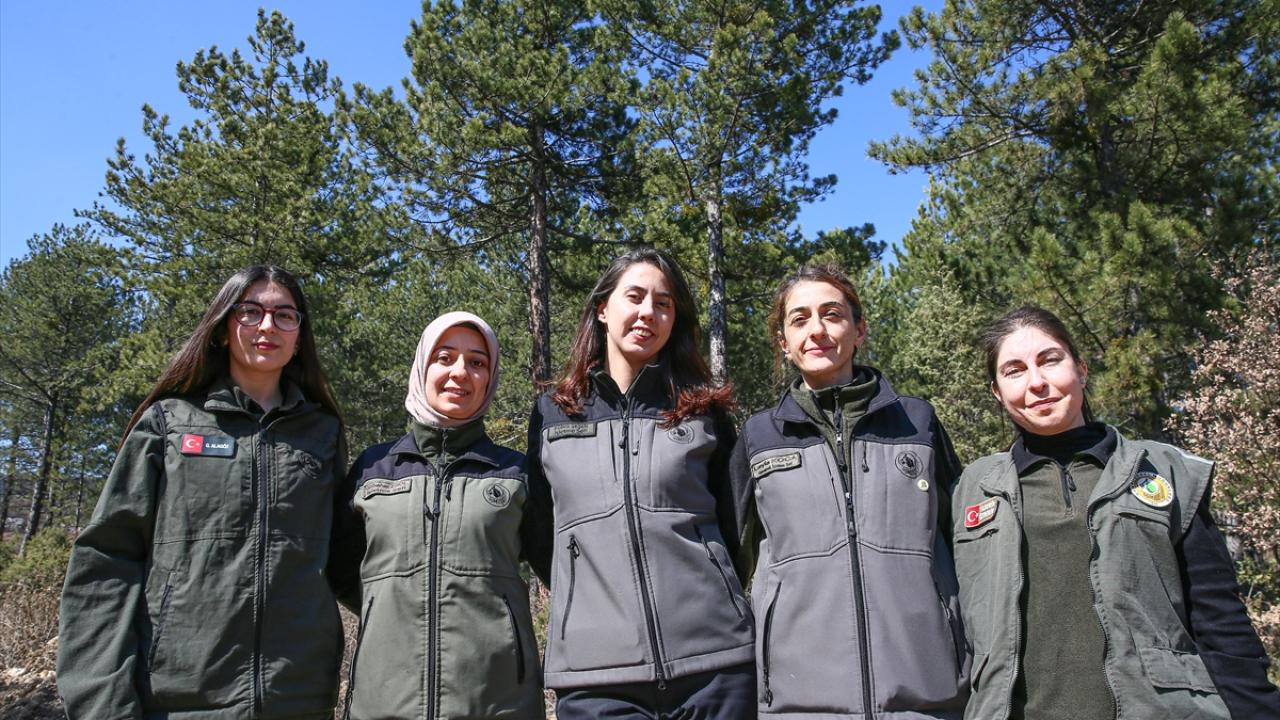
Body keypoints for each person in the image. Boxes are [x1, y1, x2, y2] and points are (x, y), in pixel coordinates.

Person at [954, 305, 1280, 720]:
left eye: (1050, 360)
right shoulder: (972, 488)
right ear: (998, 393)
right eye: (1014, 371)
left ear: (1081, 370)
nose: (1036, 382)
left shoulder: (1164, 471)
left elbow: (1219, 618)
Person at [57, 265, 347, 719]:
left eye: (285, 315)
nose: (267, 326)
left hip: (299, 698)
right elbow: (107, 561)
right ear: (223, 329)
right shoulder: (168, 423)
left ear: (299, 337)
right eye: (250, 312)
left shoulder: (323, 434)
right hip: (179, 698)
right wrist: (101, 702)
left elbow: (350, 560)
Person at [729, 264, 969, 719]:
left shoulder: (917, 422)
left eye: (832, 314)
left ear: (859, 331)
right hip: (799, 705)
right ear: (783, 342)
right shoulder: (759, 437)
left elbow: (962, 545)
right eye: (800, 319)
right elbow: (730, 565)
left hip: (928, 699)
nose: (816, 330)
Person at [525, 247, 755, 719]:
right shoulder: (553, 413)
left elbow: (735, 527)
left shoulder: (702, 410)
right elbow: (541, 532)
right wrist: (584, 595)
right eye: (635, 297)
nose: (649, 312)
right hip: (595, 678)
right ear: (602, 309)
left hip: (715, 667)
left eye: (663, 303)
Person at [329, 311, 544, 720]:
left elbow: (559, 570)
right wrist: (391, 605)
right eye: (444, 358)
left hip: (498, 705)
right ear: (422, 367)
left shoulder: (517, 473)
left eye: (477, 362)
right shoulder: (373, 469)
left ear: (490, 378)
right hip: (383, 703)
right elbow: (339, 572)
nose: (460, 372)